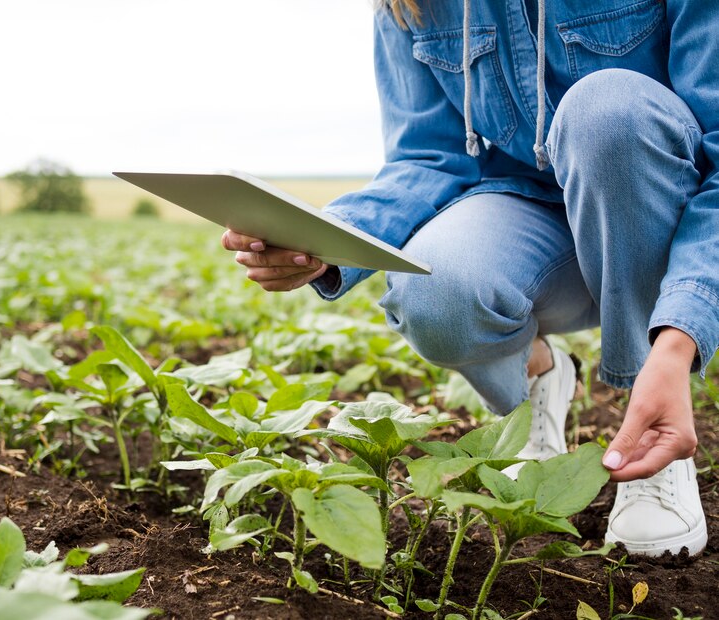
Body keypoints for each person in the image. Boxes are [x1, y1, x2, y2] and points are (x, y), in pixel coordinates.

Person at [221, 0, 717, 556]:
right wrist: (327, 239)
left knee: (606, 111)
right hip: (530, 222)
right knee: (434, 291)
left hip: (659, 220)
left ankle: (651, 437)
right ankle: (537, 380)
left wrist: (678, 344)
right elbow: (426, 158)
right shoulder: (408, 5)